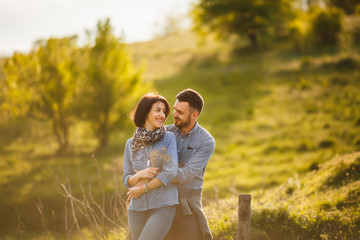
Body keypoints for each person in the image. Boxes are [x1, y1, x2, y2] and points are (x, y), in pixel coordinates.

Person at [123, 92, 179, 240]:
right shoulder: (130, 143)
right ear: (145, 111)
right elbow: (126, 178)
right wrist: (139, 175)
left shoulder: (168, 138)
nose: (162, 114)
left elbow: (170, 171)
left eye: (164, 111)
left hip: (163, 205)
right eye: (157, 110)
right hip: (137, 208)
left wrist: (142, 189)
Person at [165, 89, 215, 240]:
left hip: (189, 204)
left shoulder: (206, 141)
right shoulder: (165, 133)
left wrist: (159, 172)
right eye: (174, 110)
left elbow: (185, 175)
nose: (174, 115)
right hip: (163, 199)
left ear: (194, 115)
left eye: (180, 112)